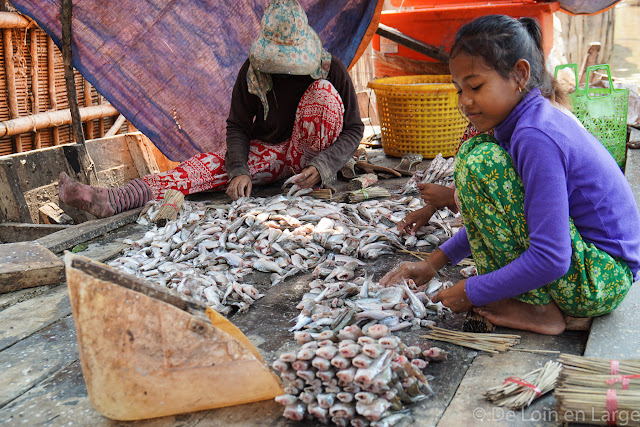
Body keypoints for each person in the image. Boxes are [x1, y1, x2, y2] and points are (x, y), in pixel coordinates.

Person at [381, 14, 640, 335]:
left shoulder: (535, 135)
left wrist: (473, 289)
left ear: (519, 74)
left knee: (478, 162)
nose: (465, 101)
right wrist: (433, 262)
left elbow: (552, 258)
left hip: (602, 280)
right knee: (474, 155)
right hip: (592, 270)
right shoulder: (520, 125)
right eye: (459, 89)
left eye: (475, 86)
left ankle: (540, 311)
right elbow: (505, 217)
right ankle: (537, 303)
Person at [58, 0, 363, 218]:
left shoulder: (329, 67)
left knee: (323, 93)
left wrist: (323, 166)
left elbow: (353, 128)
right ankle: (115, 198)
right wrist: (239, 171)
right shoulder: (253, 70)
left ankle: (311, 180)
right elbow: (238, 127)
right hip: (269, 153)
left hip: (311, 159)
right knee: (203, 167)